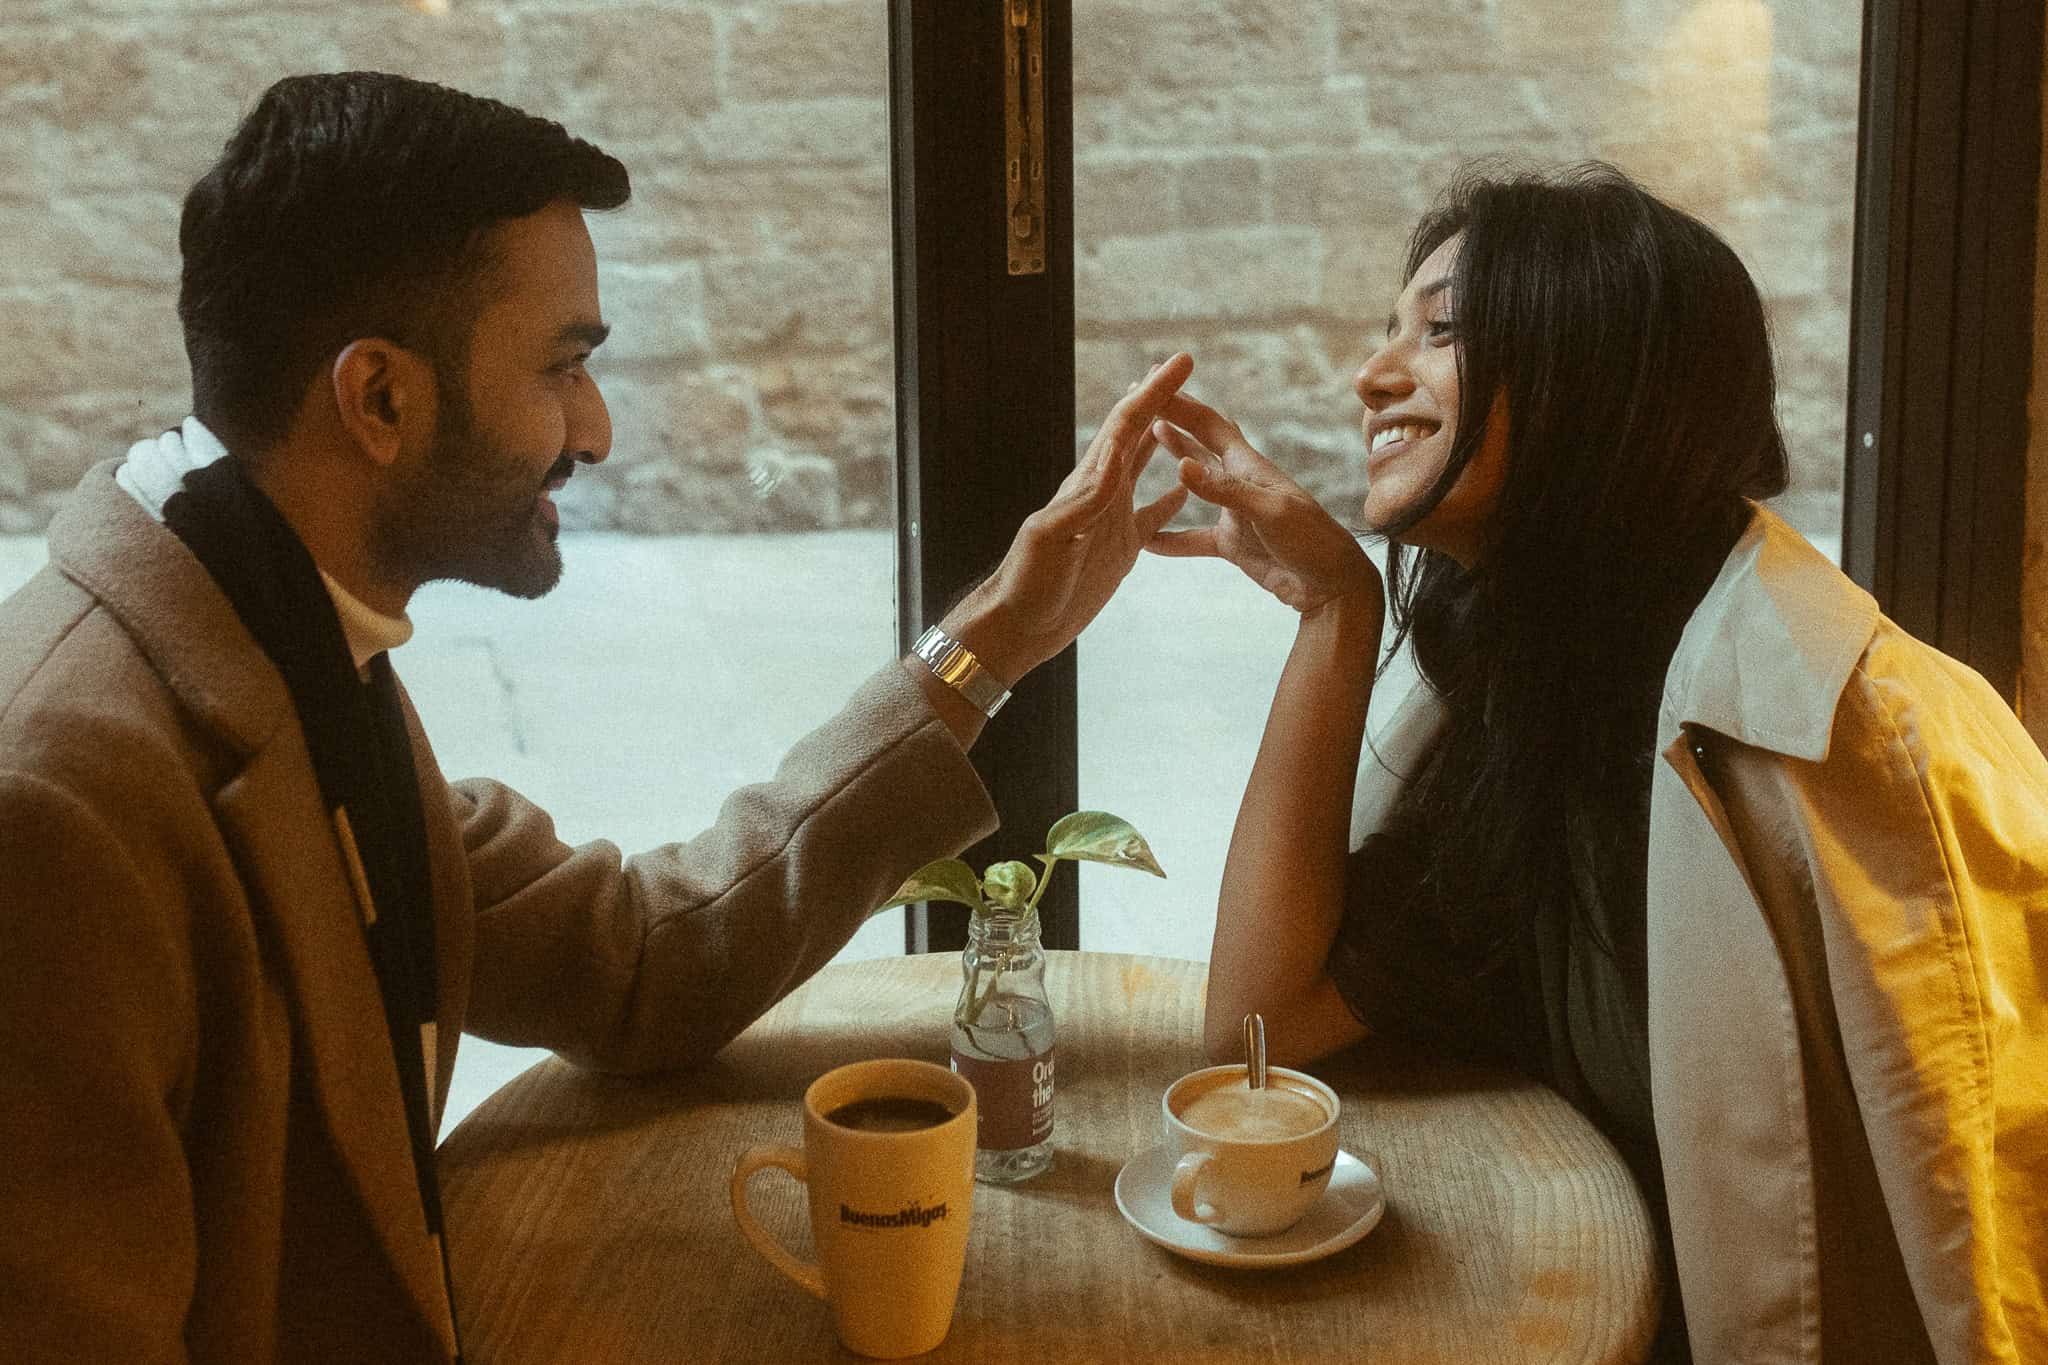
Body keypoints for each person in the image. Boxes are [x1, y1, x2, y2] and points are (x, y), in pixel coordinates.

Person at [0, 72, 1194, 1362]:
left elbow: (633, 966)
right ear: (380, 399)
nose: (598, 429)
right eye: (563, 366)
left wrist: (995, 642)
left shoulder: (273, 629)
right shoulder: (60, 806)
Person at [1145, 162, 2047, 1364]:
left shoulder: (1865, 731)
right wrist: (1334, 614)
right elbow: (1261, 1023)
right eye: (1390, 330)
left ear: (1596, 374)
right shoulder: (1520, 689)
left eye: (1442, 331)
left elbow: (1981, 1213)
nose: (1371, 375)